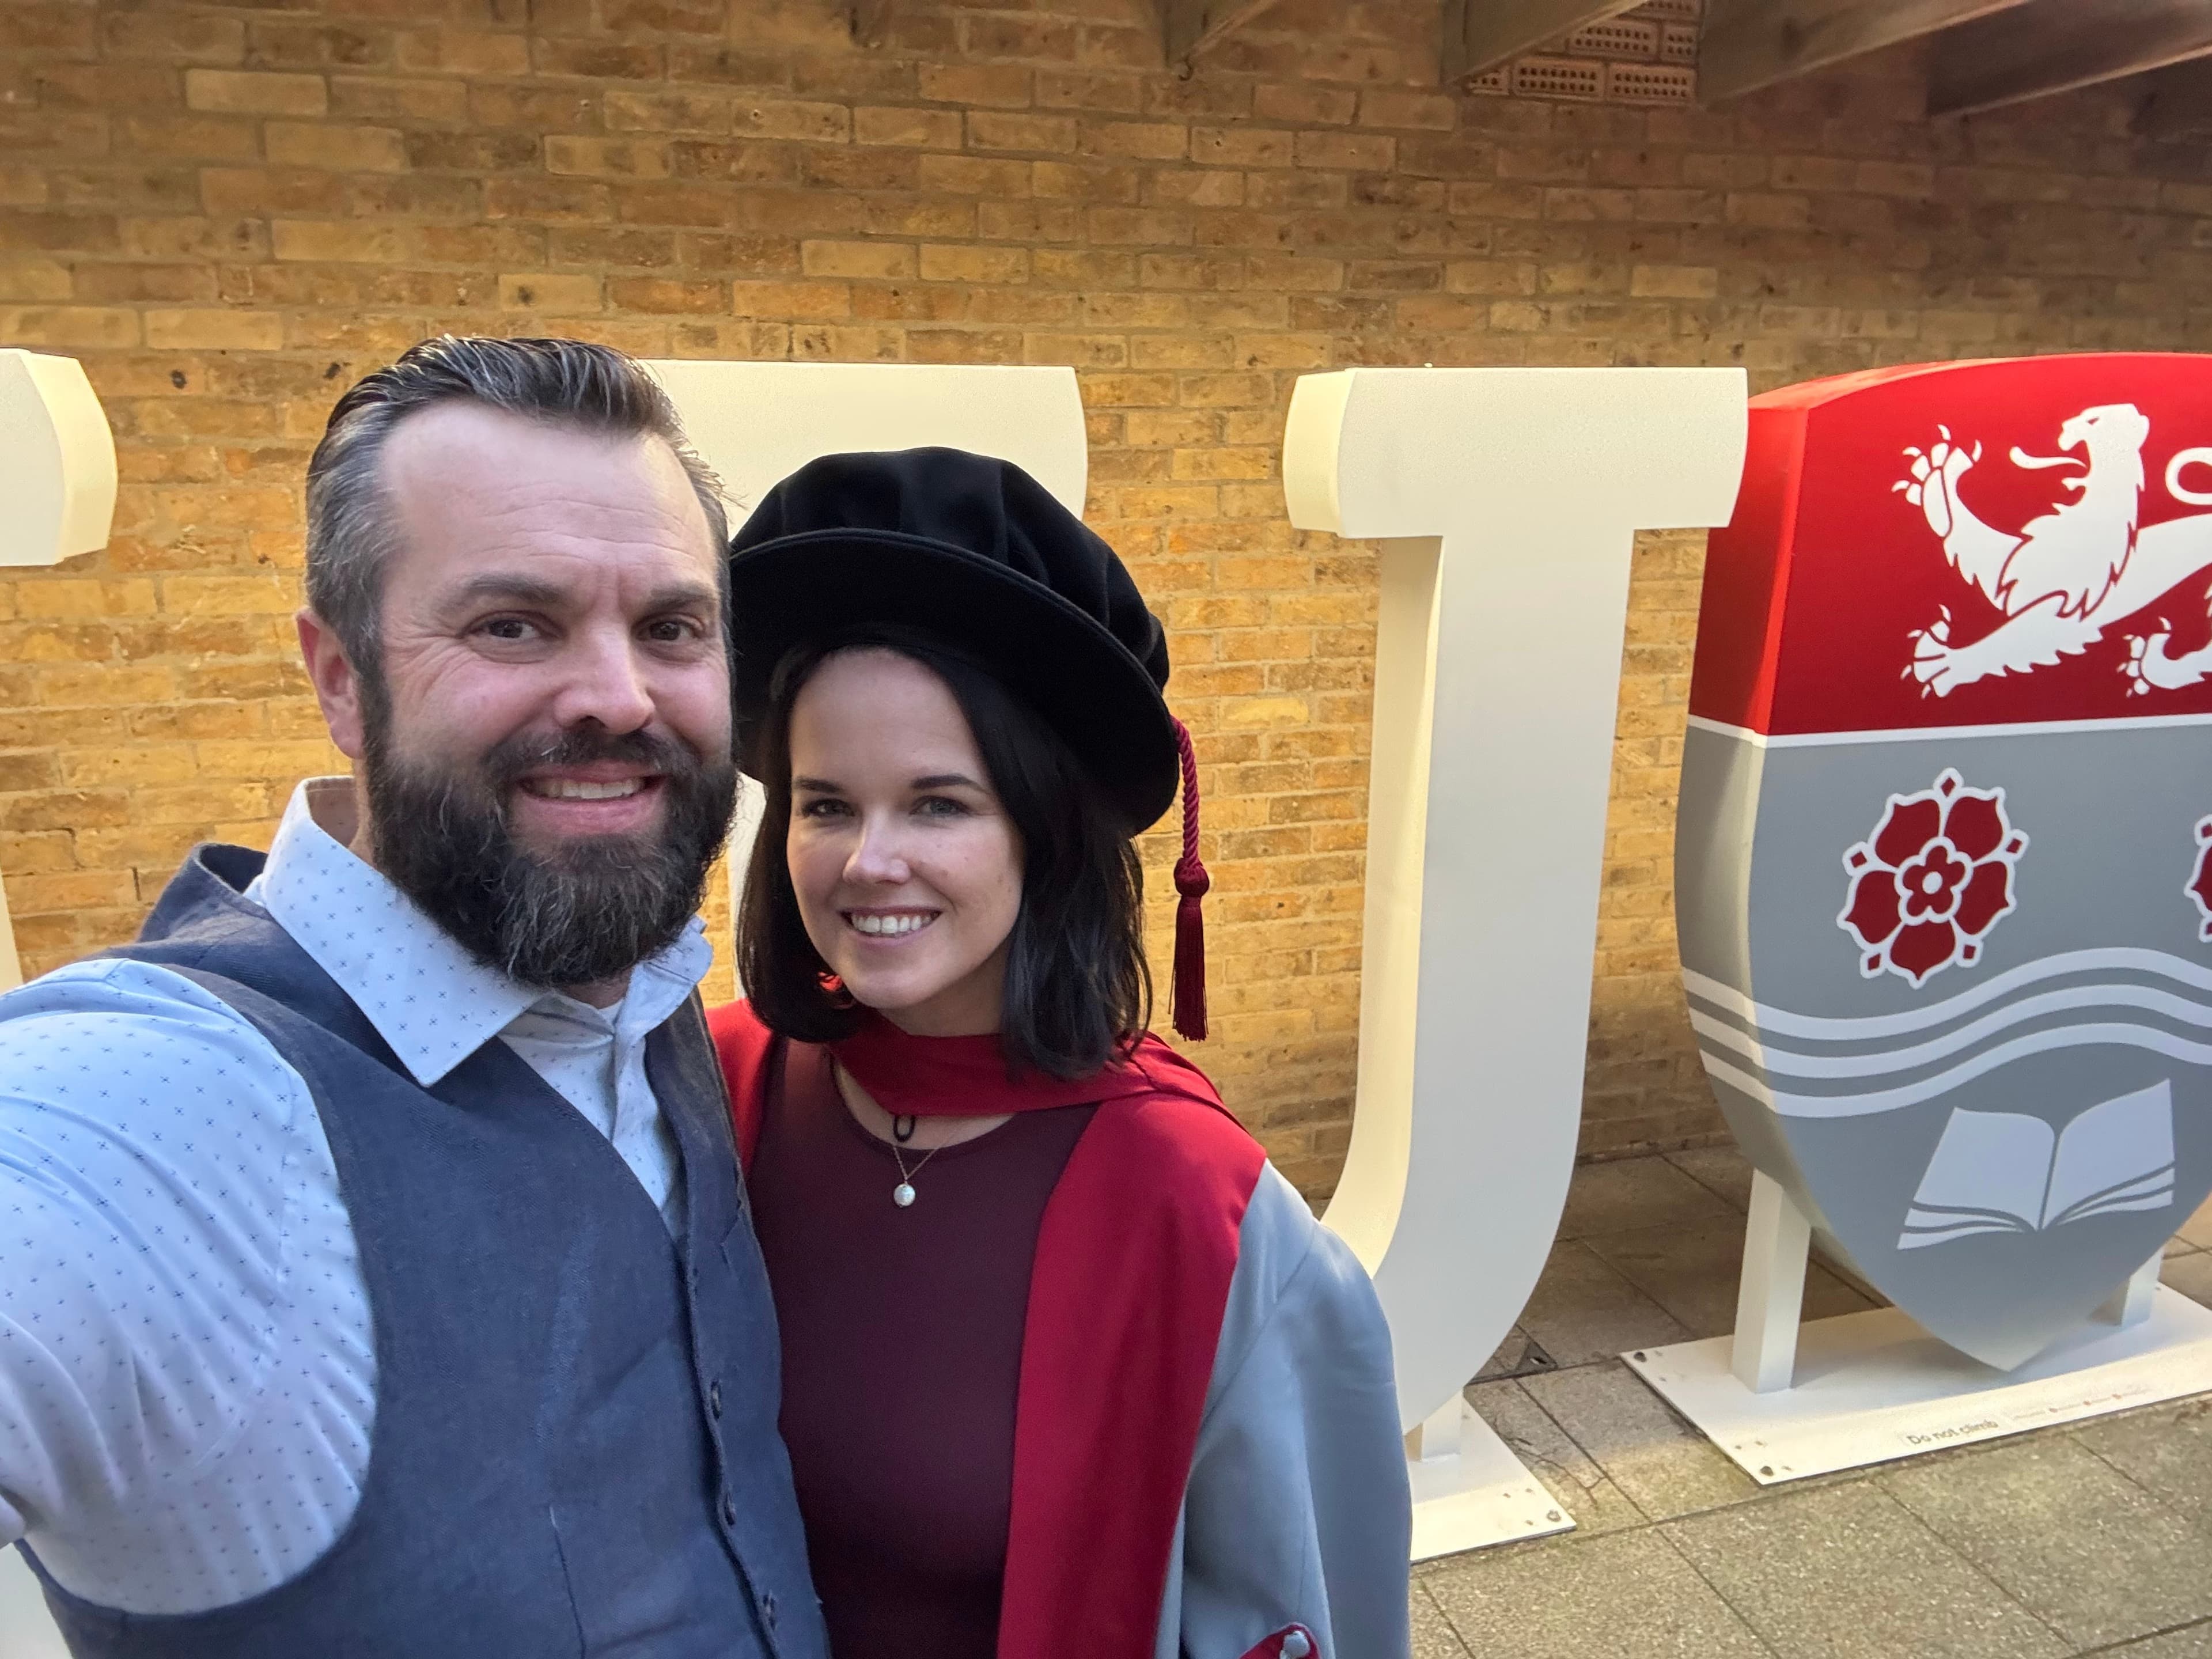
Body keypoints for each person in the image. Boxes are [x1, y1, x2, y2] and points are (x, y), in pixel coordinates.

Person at [0, 337, 826, 1658]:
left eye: (671, 628)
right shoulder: (160, 1106)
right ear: (340, 678)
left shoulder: (645, 986)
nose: (618, 697)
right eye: (514, 624)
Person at [709, 448, 1414, 1659]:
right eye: (827, 803)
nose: (867, 861)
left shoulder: (1203, 1214)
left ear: (1046, 832)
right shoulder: (716, 1090)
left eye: (939, 803)